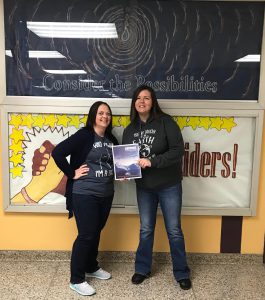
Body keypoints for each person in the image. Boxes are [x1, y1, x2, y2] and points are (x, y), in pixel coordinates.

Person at [122, 85, 191, 290]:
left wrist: (154, 161)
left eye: (147, 98)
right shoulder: (130, 129)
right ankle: (142, 269)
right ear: (134, 103)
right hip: (144, 187)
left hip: (169, 185)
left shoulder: (166, 122)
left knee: (174, 230)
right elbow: (127, 159)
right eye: (138, 98)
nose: (142, 101)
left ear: (153, 102)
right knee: (146, 230)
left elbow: (178, 150)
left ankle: (181, 272)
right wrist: (124, 172)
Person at [52, 101, 118, 296]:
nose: (105, 116)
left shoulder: (111, 139)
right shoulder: (84, 135)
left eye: (107, 113)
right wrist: (71, 173)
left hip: (106, 193)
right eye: (100, 113)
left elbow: (117, 163)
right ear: (93, 116)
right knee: (87, 234)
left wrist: (123, 172)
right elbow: (57, 152)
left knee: (95, 232)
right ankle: (76, 279)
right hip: (84, 193)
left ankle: (91, 266)